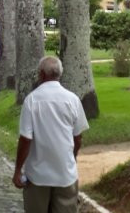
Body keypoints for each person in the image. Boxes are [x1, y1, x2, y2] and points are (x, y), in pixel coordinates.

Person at [12, 55, 89, 213]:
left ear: (41, 74)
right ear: (59, 74)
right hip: (65, 174)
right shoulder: (72, 100)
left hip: (37, 176)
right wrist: (71, 158)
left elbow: (25, 139)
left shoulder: (32, 100)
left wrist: (18, 170)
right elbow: (78, 137)